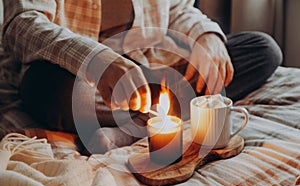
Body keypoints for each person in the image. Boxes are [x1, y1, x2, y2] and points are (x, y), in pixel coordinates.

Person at [1, 0, 282, 154]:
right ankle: (168, 111)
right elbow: (21, 24)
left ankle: (127, 130)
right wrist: (97, 61)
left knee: (261, 50)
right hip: (72, 76)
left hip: (149, 70)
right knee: (46, 88)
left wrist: (205, 35)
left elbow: (178, 9)